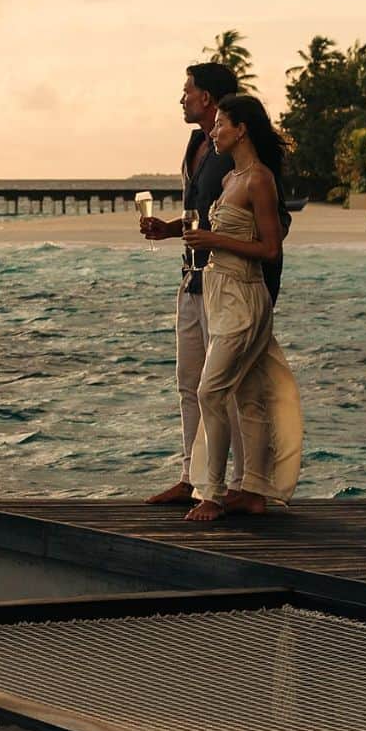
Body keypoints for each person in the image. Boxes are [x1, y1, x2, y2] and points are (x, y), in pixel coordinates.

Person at [177, 93, 302, 522]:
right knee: (247, 395)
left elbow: (270, 248)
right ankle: (253, 489)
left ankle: (210, 493)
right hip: (218, 292)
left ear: (241, 129)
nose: (213, 132)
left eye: (220, 125)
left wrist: (213, 240)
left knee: (210, 391)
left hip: (245, 297)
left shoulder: (258, 180)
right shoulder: (232, 179)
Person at [140, 62, 240, 506]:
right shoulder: (196, 142)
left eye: (188, 92)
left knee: (222, 388)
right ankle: (190, 476)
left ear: (209, 99)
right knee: (188, 382)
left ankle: (231, 485)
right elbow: (200, 215)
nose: (182, 99)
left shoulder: (230, 149)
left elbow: (243, 217)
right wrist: (170, 228)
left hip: (221, 281)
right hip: (190, 277)